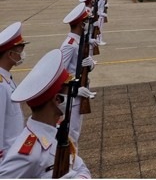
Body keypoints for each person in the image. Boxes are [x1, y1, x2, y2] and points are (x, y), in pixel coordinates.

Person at [0, 49, 91, 178]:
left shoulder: (56, 133)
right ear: (58, 100)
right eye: (68, 93)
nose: (72, 97)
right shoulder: (28, 154)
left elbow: (80, 167)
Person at [60, 2, 97, 145]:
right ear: (81, 24)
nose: (88, 24)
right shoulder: (69, 44)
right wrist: (74, 90)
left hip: (80, 90)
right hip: (72, 95)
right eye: (86, 21)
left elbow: (81, 65)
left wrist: (91, 64)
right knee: (71, 135)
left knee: (75, 132)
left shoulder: (78, 41)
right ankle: (69, 164)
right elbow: (60, 72)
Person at [0, 23, 28, 160]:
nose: (22, 53)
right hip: (6, 158)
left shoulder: (6, 78)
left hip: (14, 152)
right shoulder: (0, 85)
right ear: (10, 54)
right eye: (20, 49)